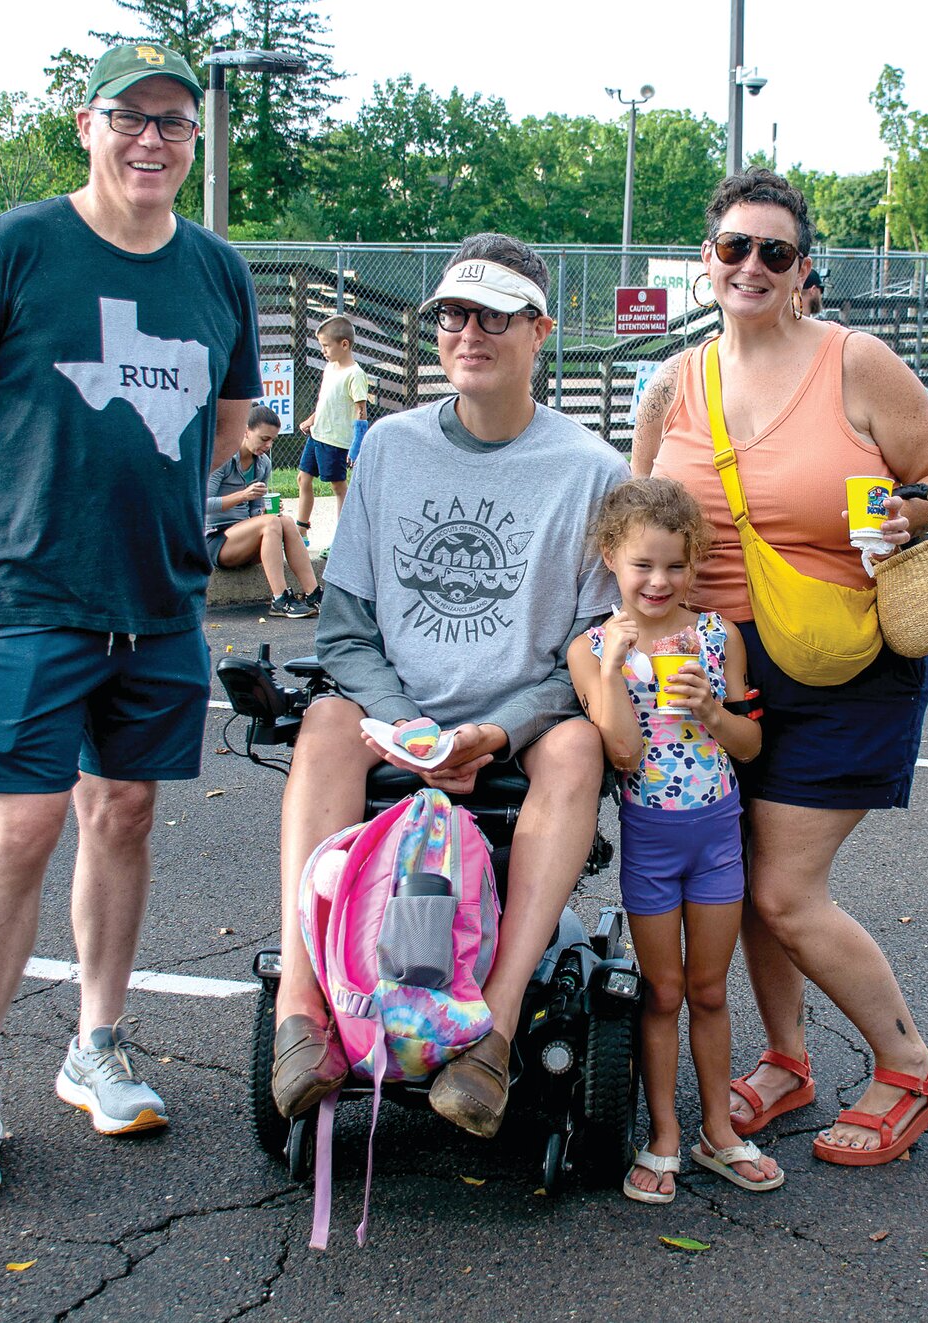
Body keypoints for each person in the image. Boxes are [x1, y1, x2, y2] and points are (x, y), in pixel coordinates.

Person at [0, 40, 262, 1194]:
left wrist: (153, 514)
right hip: (33, 597)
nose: (151, 139)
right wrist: (16, 501)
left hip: (158, 601)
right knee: (19, 830)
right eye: (129, 117)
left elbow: (225, 421)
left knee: (126, 816)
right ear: (85, 125)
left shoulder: (216, 269)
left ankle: (97, 1044)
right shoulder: (19, 246)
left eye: (174, 122)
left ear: (194, 140)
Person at [633, 168, 928, 1166]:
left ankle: (910, 1066)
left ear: (802, 270)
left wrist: (913, 509)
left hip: (844, 659)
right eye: (734, 246)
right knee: (742, 881)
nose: (751, 266)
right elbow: (636, 518)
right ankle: (786, 1059)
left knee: (783, 890)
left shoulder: (856, 364)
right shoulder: (673, 384)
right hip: (718, 673)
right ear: (707, 261)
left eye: (773, 252)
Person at [269, 233, 630, 1138]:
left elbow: (588, 652)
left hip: (519, 719)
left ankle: (493, 1034)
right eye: (453, 314)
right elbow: (345, 630)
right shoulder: (386, 448)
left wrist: (496, 733)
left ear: (539, 330)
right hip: (399, 711)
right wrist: (403, 726)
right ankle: (302, 1017)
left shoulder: (592, 472)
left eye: (494, 316)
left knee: (581, 739)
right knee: (324, 722)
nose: (469, 332)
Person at [567, 477, 777, 1203]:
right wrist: (614, 666)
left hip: (717, 837)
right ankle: (662, 1136)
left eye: (675, 565)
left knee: (710, 990)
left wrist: (712, 710)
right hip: (652, 845)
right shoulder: (590, 648)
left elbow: (749, 745)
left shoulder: (720, 638)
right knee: (661, 992)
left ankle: (718, 1131)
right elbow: (623, 752)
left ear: (695, 564)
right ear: (610, 560)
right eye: (642, 565)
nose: (659, 581)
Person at [207, 405, 323, 618]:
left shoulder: (263, 464)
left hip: (245, 538)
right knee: (271, 522)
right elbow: (201, 504)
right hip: (217, 540)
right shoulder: (221, 458)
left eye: (272, 440)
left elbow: (254, 514)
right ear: (245, 431)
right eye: (263, 439)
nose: (268, 445)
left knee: (285, 521)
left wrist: (263, 512)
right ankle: (280, 599)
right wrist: (242, 495)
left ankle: (313, 594)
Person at [294, 315, 369, 545]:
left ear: (344, 344)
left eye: (326, 346)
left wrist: (356, 446)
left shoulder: (355, 374)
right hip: (318, 435)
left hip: (336, 442)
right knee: (302, 479)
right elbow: (326, 402)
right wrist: (311, 420)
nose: (323, 351)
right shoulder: (329, 367)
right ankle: (302, 531)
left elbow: (360, 411)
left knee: (338, 486)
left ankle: (342, 539)